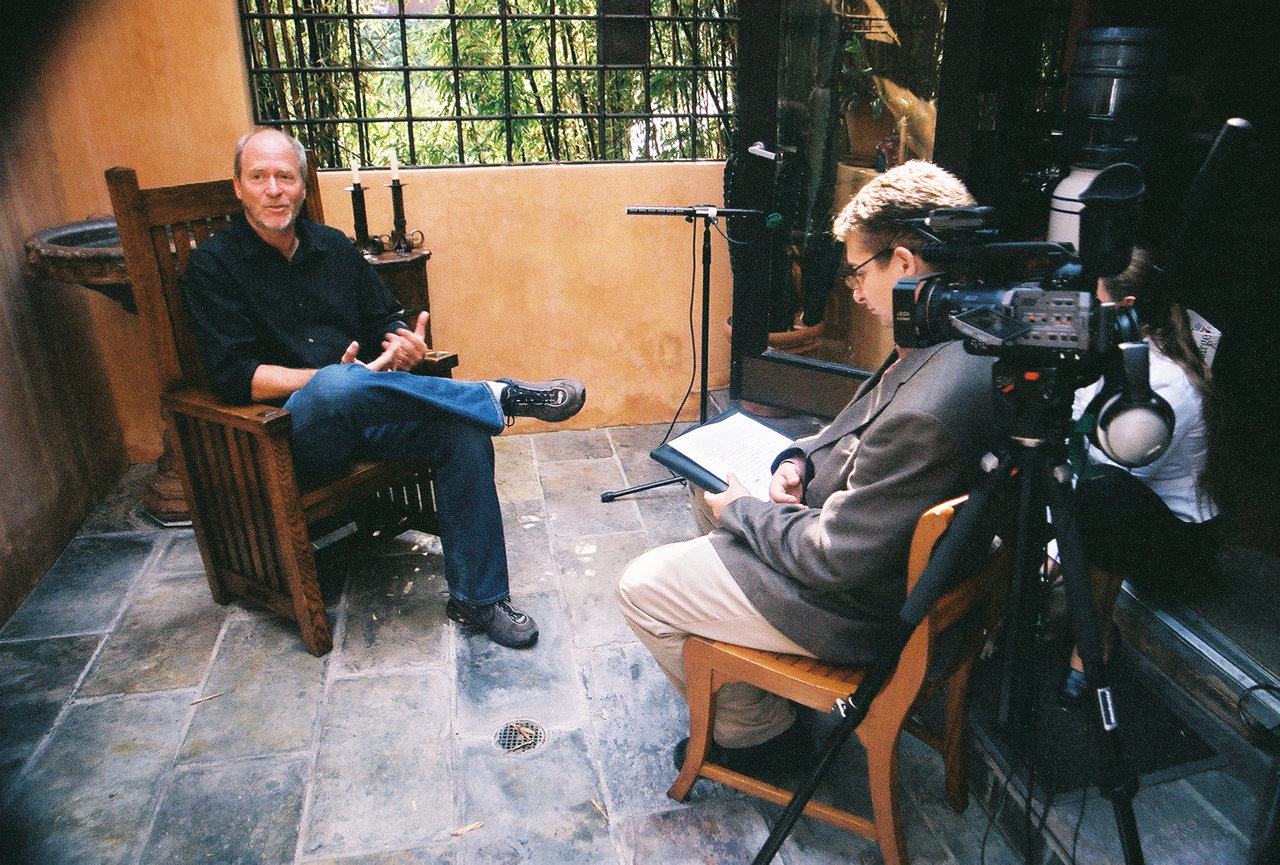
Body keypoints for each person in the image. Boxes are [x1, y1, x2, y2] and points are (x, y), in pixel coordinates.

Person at [616, 161, 1008, 773]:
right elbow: (851, 432)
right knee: (711, 492)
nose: (852, 291)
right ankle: (751, 656)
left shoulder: (932, 397)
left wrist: (743, 509)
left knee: (641, 586)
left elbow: (834, 559)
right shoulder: (958, 340)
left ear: (903, 264)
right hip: (875, 561)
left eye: (857, 271)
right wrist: (792, 458)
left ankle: (760, 735)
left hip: (854, 608)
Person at [183, 127, 587, 650]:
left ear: (302, 185)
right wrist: (339, 379)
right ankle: (499, 395)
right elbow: (235, 376)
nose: (274, 189)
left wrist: (404, 347)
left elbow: (385, 324)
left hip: (367, 413)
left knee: (461, 435)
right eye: (259, 177)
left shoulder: (331, 247)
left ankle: (478, 598)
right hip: (291, 436)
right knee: (336, 384)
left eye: (285, 176)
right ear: (238, 187)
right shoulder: (212, 267)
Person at [1061, 248, 1222, 699]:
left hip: (1180, 552)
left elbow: (1107, 473)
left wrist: (1054, 547)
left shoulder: (1164, 381)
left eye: (1090, 298)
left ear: (1124, 308)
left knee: (1104, 494)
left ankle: (1092, 642)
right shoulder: (1110, 350)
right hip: (1121, 518)